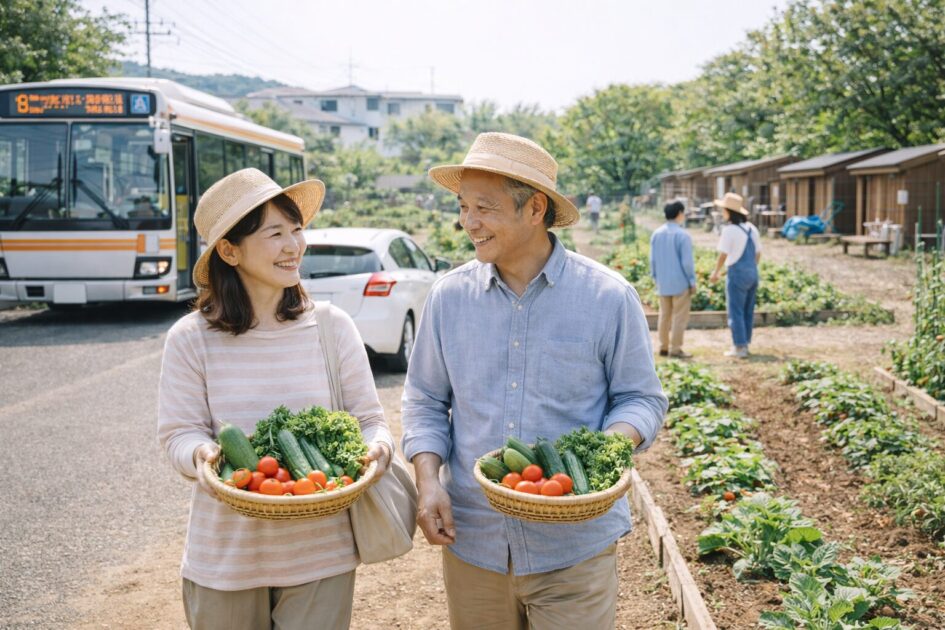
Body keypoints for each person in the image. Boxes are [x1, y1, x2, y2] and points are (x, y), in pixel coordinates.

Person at [401, 132, 667, 630]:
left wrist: (602, 451)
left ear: (535, 208)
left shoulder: (608, 297)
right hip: (474, 541)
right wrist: (427, 480)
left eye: (485, 207)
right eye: (463, 207)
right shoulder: (449, 299)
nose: (468, 222)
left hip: (574, 548)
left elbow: (640, 397)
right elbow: (425, 401)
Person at [156, 168, 394, 630]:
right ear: (229, 250)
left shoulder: (332, 326)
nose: (294, 247)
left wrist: (377, 449)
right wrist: (202, 455)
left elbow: (370, 419)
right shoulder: (191, 338)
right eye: (275, 233)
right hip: (224, 559)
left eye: (297, 230)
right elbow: (177, 434)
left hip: (321, 554)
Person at [709, 192, 762, 359]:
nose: (723, 213)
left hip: (737, 274)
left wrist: (716, 272)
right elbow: (758, 253)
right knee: (748, 310)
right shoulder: (752, 229)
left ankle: (739, 347)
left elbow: (723, 255)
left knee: (736, 311)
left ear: (729, 212)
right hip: (752, 272)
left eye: (724, 210)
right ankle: (745, 341)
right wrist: (750, 268)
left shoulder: (729, 230)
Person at [650, 200, 696, 358]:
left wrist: (655, 277)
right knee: (679, 317)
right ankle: (676, 349)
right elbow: (687, 263)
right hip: (680, 283)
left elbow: (653, 261)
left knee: (664, 315)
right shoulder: (683, 235)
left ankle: (663, 347)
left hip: (663, 282)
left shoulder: (656, 234)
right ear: (679, 214)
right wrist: (692, 281)